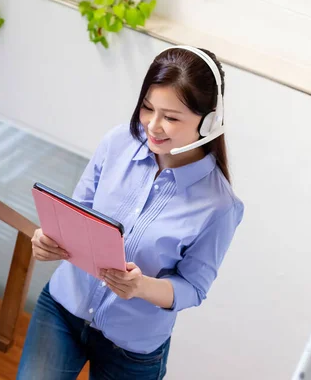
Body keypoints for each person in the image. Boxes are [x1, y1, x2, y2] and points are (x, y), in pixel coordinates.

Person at [17, 46, 245, 380]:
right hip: (63, 310)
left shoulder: (219, 206)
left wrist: (141, 287)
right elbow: (76, 213)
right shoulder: (117, 142)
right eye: (148, 108)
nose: (153, 126)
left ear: (209, 121)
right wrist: (47, 240)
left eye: (171, 117)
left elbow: (192, 289)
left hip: (133, 351)